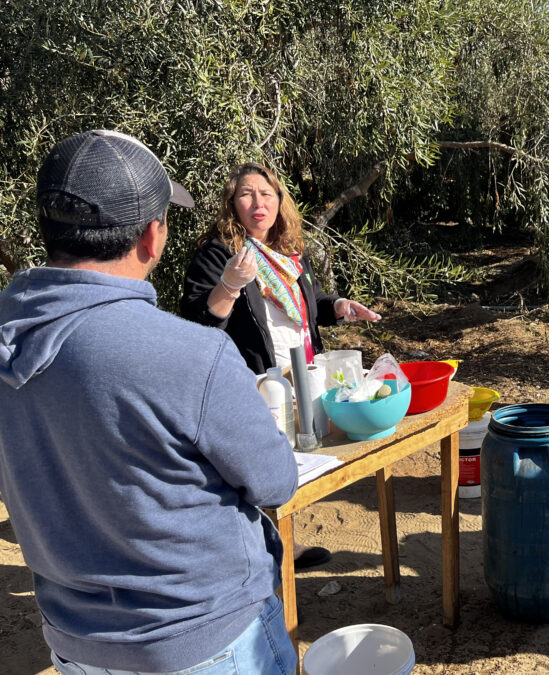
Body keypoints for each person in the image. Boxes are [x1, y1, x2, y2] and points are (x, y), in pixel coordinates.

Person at [0, 130, 299, 673]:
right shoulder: (193, 354)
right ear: (151, 236)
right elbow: (275, 480)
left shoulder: (9, 337)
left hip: (76, 643)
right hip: (206, 637)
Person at [181, 163, 380, 569]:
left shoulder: (289, 251)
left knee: (293, 458)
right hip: (253, 378)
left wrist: (339, 307)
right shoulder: (218, 254)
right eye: (247, 194)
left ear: (279, 201)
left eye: (267, 194)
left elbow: (311, 304)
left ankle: (283, 546)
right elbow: (199, 323)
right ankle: (267, 559)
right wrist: (230, 284)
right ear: (232, 204)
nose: (259, 203)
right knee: (258, 468)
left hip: (300, 373)